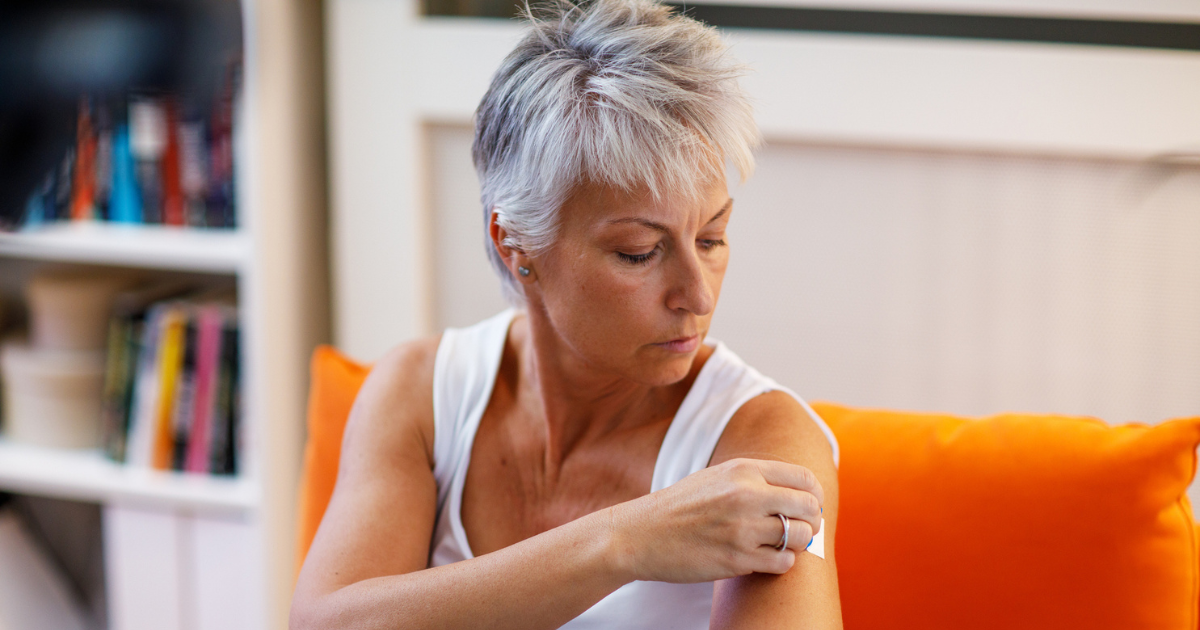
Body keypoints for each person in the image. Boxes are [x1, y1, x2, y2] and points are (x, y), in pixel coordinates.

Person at [290, 0, 842, 627]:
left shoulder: (762, 444)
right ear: (516, 243)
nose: (700, 294)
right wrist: (624, 541)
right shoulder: (419, 393)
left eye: (711, 239)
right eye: (640, 252)